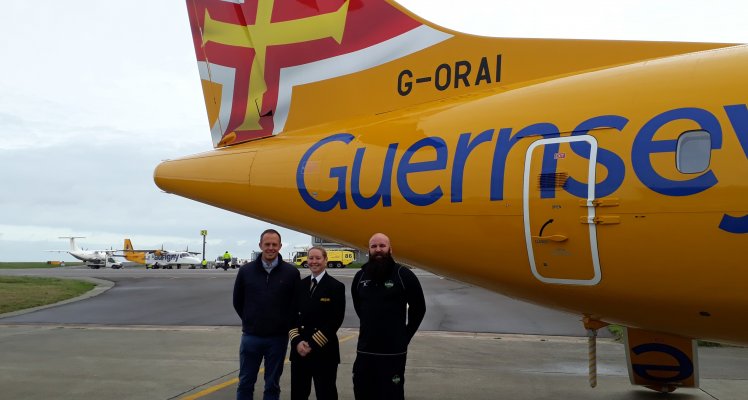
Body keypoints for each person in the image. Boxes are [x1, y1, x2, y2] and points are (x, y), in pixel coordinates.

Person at [351, 233, 426, 400]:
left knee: (391, 394)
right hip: (365, 350)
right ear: (369, 250)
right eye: (374, 246)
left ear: (390, 249)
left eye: (382, 246)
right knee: (362, 391)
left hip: (393, 353)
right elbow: (359, 307)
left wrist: (404, 337)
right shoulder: (360, 277)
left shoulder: (403, 274)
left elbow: (419, 308)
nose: (378, 250)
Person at [233, 229, 300, 400]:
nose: (270, 248)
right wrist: (251, 320)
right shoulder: (246, 271)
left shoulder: (291, 273)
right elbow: (237, 301)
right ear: (260, 245)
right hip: (251, 336)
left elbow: (295, 304)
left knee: (272, 384)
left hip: (277, 338)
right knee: (245, 382)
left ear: (280, 246)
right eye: (267, 244)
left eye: (274, 244)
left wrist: (282, 324)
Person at [289, 246, 345, 400]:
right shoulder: (300, 285)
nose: (314, 262)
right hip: (299, 351)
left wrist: (311, 344)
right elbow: (291, 317)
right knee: (298, 394)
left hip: (324, 351)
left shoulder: (336, 287)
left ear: (326, 260)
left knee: (326, 394)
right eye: (311, 258)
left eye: (318, 258)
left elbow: (336, 320)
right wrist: (297, 342)